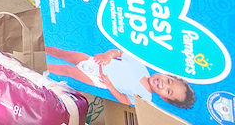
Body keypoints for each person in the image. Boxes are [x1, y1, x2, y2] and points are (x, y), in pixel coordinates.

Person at [47, 46, 196, 110]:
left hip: (98, 79)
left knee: (65, 70)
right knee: (64, 53)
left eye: (168, 91)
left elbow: (125, 100)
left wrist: (110, 86)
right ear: (166, 74)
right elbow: (118, 53)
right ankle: (41, 47)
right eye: (169, 80)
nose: (164, 84)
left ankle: (39, 66)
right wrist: (108, 55)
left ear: (164, 99)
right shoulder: (141, 67)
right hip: (95, 61)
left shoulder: (145, 97)